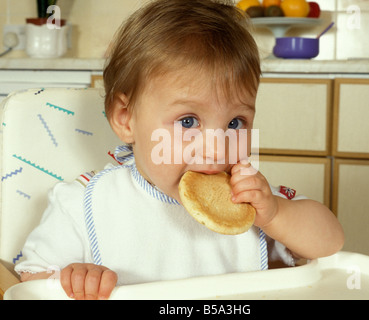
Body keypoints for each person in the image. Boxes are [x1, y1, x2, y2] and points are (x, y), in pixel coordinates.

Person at [15, 0, 344, 300]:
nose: (216, 149)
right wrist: (72, 280)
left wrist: (276, 214)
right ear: (125, 118)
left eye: (235, 123)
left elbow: (331, 243)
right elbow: (29, 282)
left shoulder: (248, 202)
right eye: (188, 121)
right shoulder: (84, 202)